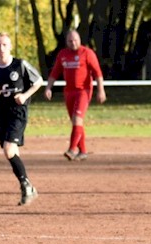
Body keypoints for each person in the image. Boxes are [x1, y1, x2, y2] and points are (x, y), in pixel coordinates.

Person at [0, 32, 43, 206]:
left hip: (17, 112)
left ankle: (25, 185)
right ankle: (29, 187)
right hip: (1, 112)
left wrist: (25, 95)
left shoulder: (20, 65)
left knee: (9, 149)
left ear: (10, 47)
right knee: (11, 151)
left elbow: (38, 81)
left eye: (4, 45)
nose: (1, 48)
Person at [44, 29, 106, 161]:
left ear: (80, 40)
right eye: (70, 41)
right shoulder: (63, 54)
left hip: (83, 91)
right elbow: (55, 72)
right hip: (69, 91)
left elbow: (97, 73)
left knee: (77, 119)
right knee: (76, 122)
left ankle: (72, 149)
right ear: (66, 42)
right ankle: (83, 151)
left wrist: (101, 90)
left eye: (75, 40)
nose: (73, 43)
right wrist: (48, 88)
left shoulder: (87, 53)